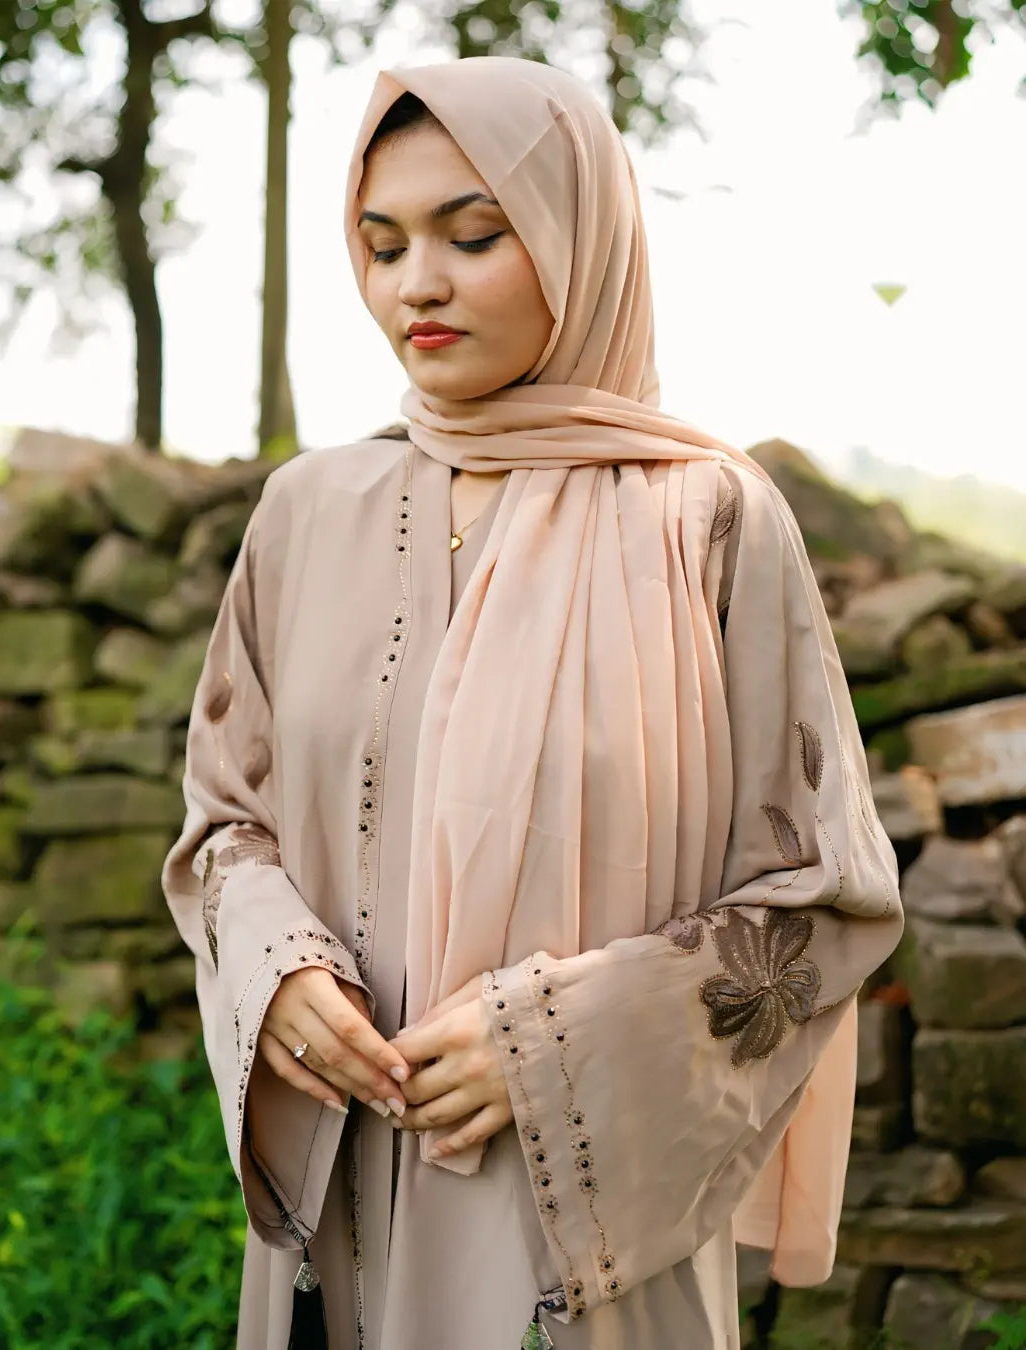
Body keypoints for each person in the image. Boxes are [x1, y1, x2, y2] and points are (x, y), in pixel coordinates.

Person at [162, 56, 903, 1350]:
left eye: (473, 232)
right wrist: (273, 972)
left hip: (581, 1218)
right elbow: (226, 823)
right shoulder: (304, 514)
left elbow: (825, 896)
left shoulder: (708, 519)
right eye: (382, 244)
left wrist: (560, 1041)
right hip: (345, 1180)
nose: (416, 285)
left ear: (580, 235)